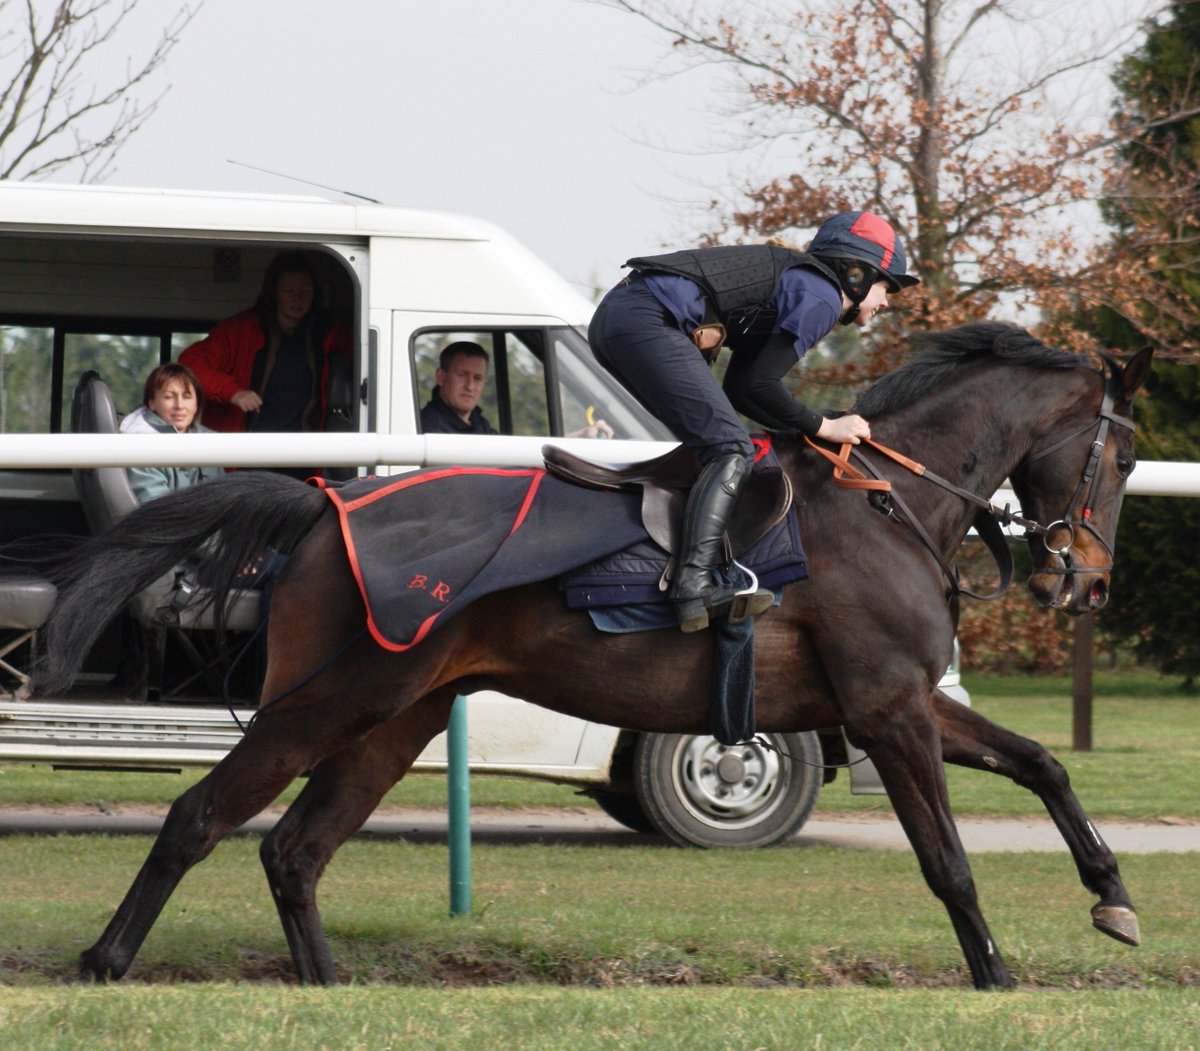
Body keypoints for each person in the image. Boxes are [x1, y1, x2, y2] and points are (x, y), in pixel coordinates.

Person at [588, 210, 919, 633]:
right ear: (856, 275)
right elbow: (762, 387)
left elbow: (743, 389)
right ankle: (694, 586)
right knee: (730, 448)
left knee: (721, 444)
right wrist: (824, 426)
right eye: (885, 286)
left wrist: (808, 425)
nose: (886, 301)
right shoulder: (821, 297)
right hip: (641, 318)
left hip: (621, 317)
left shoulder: (802, 283)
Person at [180, 250, 352, 438]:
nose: (297, 298)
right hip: (245, 456)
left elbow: (370, 356)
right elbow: (189, 366)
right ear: (274, 292)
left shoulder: (327, 332)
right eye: (288, 290)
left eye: (305, 290)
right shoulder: (240, 331)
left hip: (304, 456)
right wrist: (234, 393)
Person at [421, 341, 614, 438]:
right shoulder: (430, 427)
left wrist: (581, 437)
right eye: (462, 375)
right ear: (441, 377)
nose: (470, 386)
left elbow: (516, 455)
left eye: (477, 378)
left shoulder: (477, 423)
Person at [119, 362, 223, 504]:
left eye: (187, 397)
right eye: (169, 397)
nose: (179, 405)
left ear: (196, 403)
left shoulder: (210, 440)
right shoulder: (141, 443)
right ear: (152, 403)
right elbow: (158, 509)